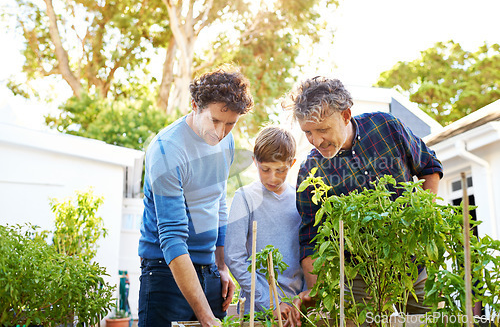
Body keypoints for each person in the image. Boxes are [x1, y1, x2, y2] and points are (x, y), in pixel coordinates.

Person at [283, 77, 443, 326]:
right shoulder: (310, 171)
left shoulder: (387, 127)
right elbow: (310, 240)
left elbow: (429, 167)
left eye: (322, 130)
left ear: (346, 115)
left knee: (432, 321)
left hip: (414, 267)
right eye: (308, 133)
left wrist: (420, 219)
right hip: (359, 281)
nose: (315, 141)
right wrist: (318, 292)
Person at [138, 67, 254, 327]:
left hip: (209, 269)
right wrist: (204, 315)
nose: (221, 132)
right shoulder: (167, 150)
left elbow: (218, 204)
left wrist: (221, 266)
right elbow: (172, 237)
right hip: (165, 272)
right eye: (214, 120)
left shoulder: (226, 141)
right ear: (194, 106)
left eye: (230, 123)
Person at [225, 126, 305, 322]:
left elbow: (309, 254)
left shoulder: (301, 200)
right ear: (255, 161)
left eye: (280, 170)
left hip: (296, 312)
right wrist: (270, 301)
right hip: (256, 312)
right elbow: (234, 256)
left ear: (292, 164)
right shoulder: (245, 198)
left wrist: (301, 300)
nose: (272, 177)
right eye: (265, 169)